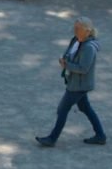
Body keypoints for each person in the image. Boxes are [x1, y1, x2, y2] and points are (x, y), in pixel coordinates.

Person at [37, 19, 106, 147]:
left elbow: (83, 68)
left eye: (78, 29)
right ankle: (100, 135)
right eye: (75, 28)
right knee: (85, 108)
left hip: (79, 85)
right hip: (75, 82)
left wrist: (66, 64)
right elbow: (68, 53)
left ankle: (52, 138)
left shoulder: (89, 48)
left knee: (62, 109)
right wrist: (64, 59)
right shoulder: (75, 40)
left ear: (87, 31)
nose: (75, 31)